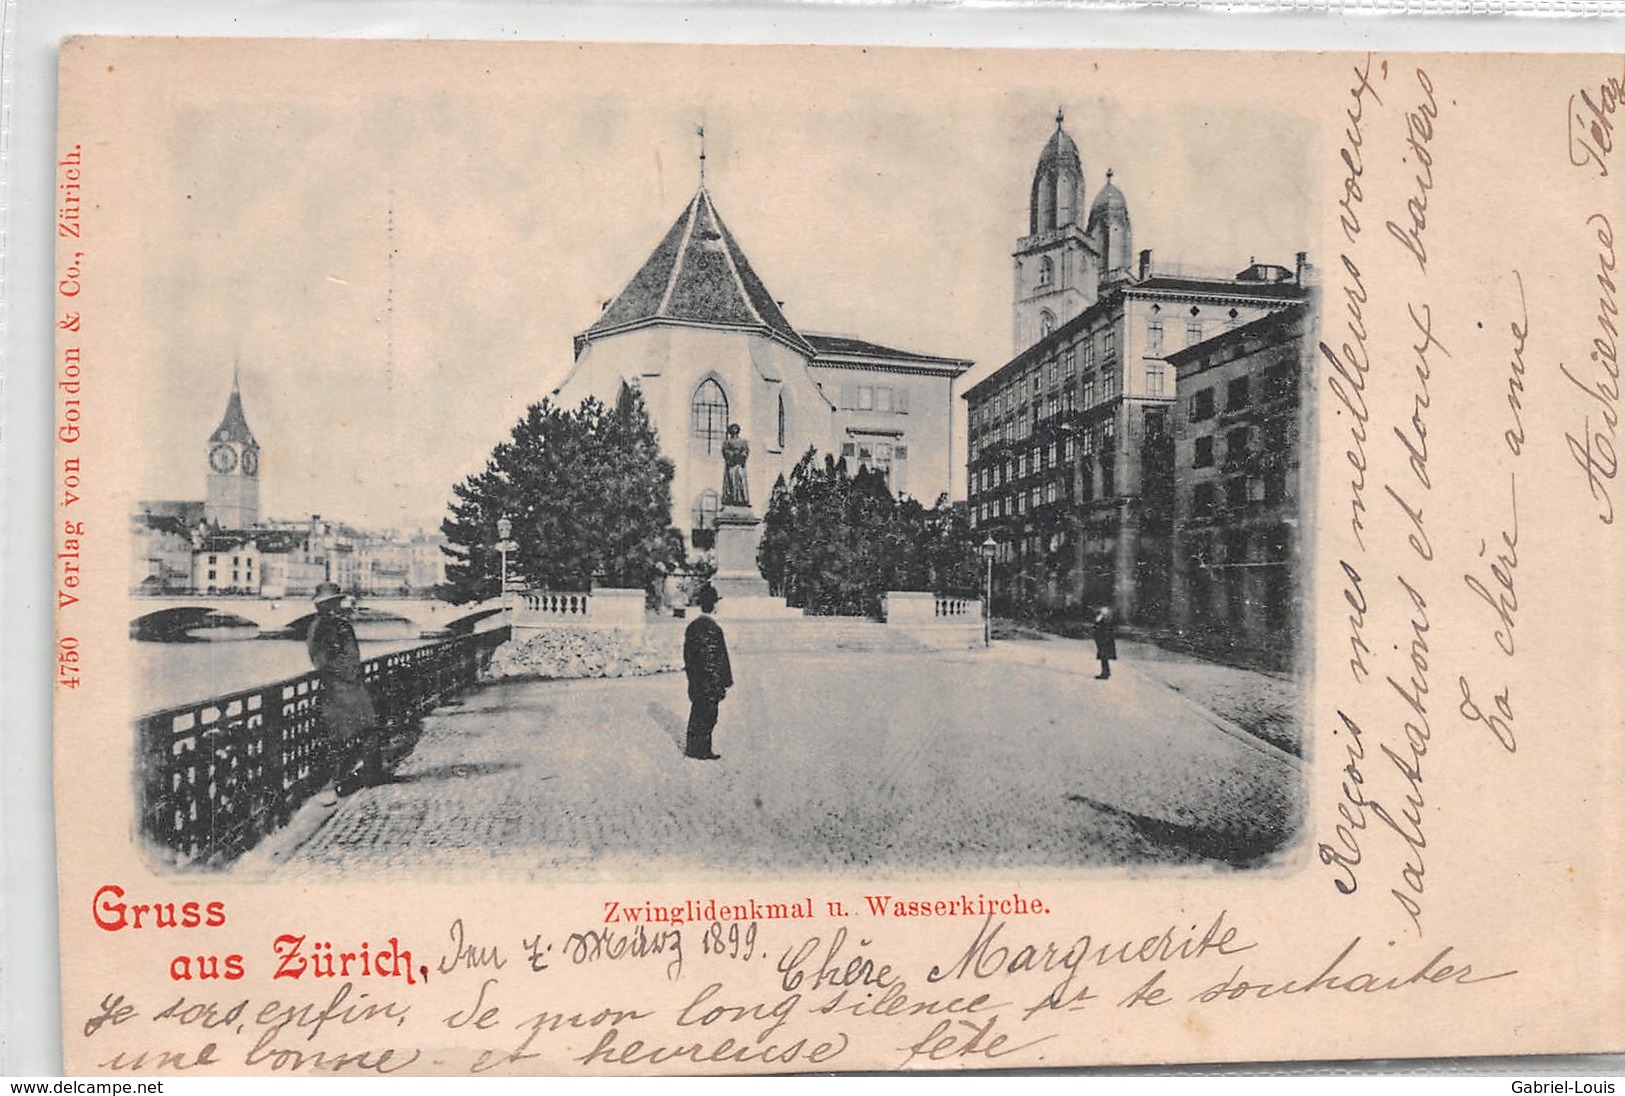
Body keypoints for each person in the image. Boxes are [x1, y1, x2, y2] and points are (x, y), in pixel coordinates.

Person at [307, 582, 382, 796]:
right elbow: (320, 660)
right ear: (323, 605)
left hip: (351, 686)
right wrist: (347, 673)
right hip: (338, 689)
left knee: (365, 729)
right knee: (345, 735)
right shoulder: (320, 626)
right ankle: (343, 780)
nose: (338, 606)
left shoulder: (338, 624)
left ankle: (368, 775)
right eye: (333, 603)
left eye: (338, 602)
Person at [682, 584, 732, 760]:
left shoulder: (692, 627)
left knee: (696, 712)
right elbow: (717, 658)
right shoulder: (713, 629)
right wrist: (723, 681)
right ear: (713, 605)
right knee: (708, 715)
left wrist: (691, 676)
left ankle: (693, 747)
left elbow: (687, 655)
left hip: (696, 679)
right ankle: (702, 749)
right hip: (709, 681)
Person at [721, 423, 750, 508]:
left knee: (741, 481)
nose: (734, 430)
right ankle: (732, 499)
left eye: (736, 428)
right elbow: (725, 451)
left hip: (739, 464)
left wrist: (742, 455)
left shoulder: (743, 441)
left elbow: (746, 451)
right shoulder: (727, 442)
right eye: (732, 429)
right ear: (730, 431)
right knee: (731, 481)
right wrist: (732, 455)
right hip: (732, 464)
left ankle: (742, 500)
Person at [1093, 605, 1118, 680]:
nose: (1100, 610)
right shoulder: (1105, 618)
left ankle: (1105, 673)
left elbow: (1103, 628)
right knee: (1104, 657)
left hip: (1105, 640)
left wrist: (1103, 639)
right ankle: (1106, 672)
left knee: (1104, 657)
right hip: (1105, 640)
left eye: (1102, 610)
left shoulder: (1106, 619)